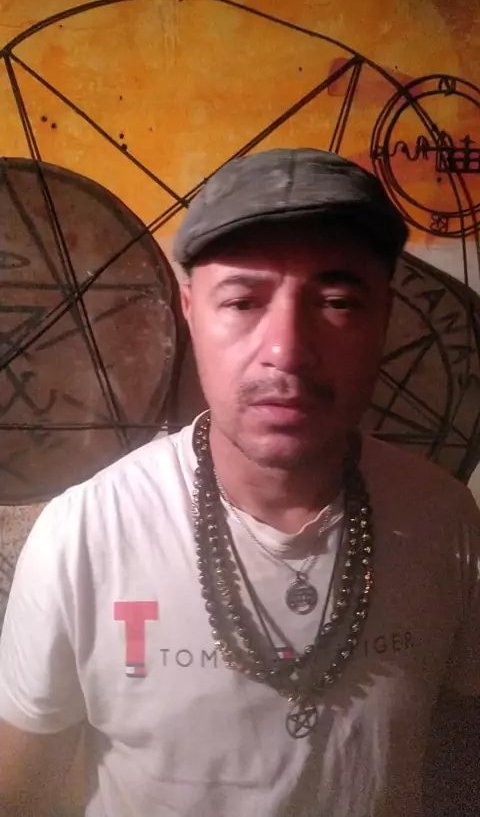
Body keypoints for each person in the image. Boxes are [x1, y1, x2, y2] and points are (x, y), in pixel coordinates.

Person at [0, 148, 478, 817]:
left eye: (338, 301)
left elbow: (456, 753)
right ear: (190, 312)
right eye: (243, 300)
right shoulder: (83, 537)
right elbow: (23, 793)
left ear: (384, 320)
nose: (286, 350)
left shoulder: (447, 521)